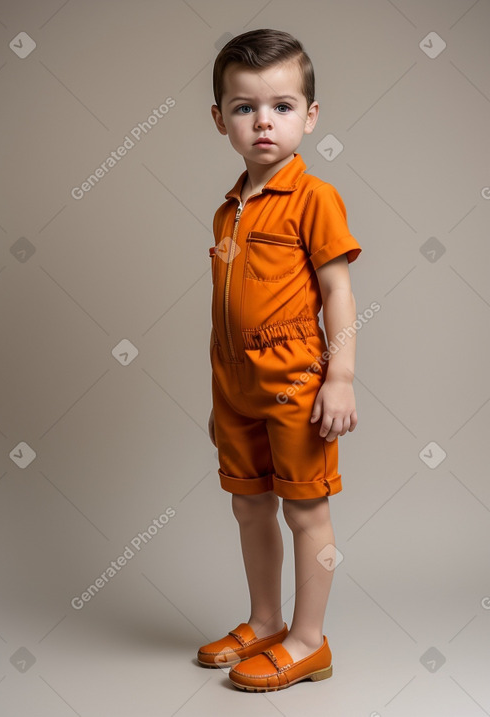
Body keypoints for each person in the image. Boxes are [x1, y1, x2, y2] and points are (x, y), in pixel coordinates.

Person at [197, 28, 362, 692]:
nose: (263, 121)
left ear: (310, 116)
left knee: (304, 508)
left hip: (296, 377)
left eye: (282, 106)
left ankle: (308, 639)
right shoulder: (228, 209)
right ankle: (265, 618)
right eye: (244, 107)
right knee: (248, 503)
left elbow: (337, 292)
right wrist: (223, 395)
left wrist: (341, 376)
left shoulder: (315, 198)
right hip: (234, 381)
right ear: (221, 120)